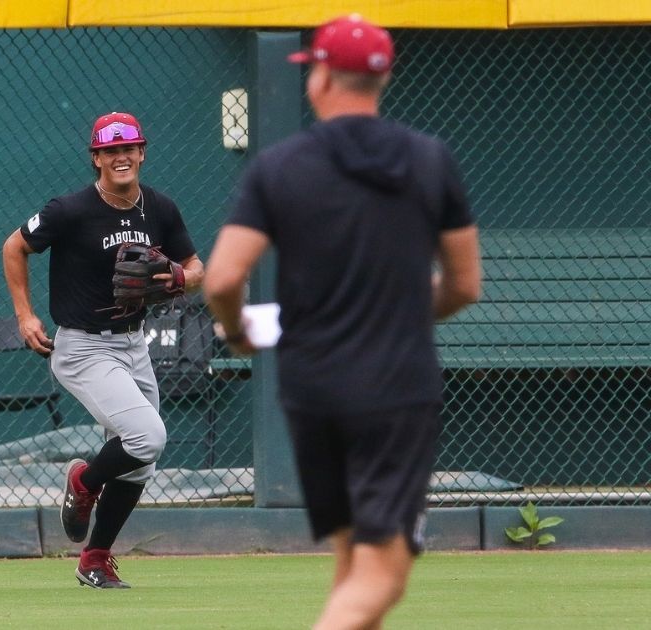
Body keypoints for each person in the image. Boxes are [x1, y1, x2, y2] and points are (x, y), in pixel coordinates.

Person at [203, 15, 481, 629]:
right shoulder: (430, 160)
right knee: (384, 573)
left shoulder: (278, 167)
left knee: (352, 562)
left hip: (313, 387)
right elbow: (464, 285)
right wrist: (403, 312)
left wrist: (238, 331)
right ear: (381, 79)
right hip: (396, 388)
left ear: (322, 76)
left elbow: (222, 278)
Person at [2, 112, 204, 588]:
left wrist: (180, 277)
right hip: (83, 347)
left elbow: (196, 267)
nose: (121, 157)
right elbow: (14, 246)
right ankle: (83, 482)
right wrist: (25, 316)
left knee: (142, 458)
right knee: (147, 437)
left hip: (134, 344)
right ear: (96, 158)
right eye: (110, 150)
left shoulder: (160, 208)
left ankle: (95, 557)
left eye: (128, 148)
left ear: (142, 153)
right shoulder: (70, 210)